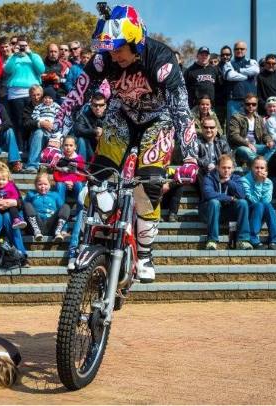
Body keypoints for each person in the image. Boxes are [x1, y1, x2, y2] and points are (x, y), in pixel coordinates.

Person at [55, 4, 198, 283]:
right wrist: (54, 139)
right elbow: (75, 97)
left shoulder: (162, 60)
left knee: (149, 188)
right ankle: (90, 242)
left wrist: (191, 157)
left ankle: (145, 253)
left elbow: (182, 111)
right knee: (96, 181)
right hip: (121, 115)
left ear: (136, 42)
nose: (113, 55)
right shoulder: (103, 60)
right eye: (109, 49)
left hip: (159, 120)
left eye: (119, 48)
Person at [200, 154, 252, 250]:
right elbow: (209, 194)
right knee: (214, 202)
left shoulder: (236, 178)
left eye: (229, 168)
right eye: (223, 167)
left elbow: (242, 195)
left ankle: (243, 240)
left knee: (243, 203)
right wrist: (230, 198)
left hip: (227, 212)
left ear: (232, 168)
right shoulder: (209, 177)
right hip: (210, 212)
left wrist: (229, 182)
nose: (226, 170)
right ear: (217, 167)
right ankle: (212, 240)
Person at [3, 35, 45, 151]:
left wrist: (30, 54)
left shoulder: (34, 56)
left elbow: (41, 70)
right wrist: (14, 55)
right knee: (19, 122)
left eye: (24, 45)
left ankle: (32, 148)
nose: (22, 48)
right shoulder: (13, 57)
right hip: (16, 94)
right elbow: (7, 70)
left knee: (33, 120)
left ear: (28, 45)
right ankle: (20, 149)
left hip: (33, 93)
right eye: (20, 46)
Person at [241, 156, 276, 250]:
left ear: (266, 170)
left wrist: (263, 182)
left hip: (261, 210)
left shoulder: (269, 182)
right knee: (259, 204)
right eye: (256, 167)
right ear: (251, 168)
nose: (259, 170)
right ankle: (253, 239)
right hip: (249, 210)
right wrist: (259, 183)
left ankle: (275, 240)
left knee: (267, 205)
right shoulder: (244, 180)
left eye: (262, 168)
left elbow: (266, 201)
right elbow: (253, 200)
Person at [228, 93, 275, 165]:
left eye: (254, 104)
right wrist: (247, 144)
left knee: (274, 148)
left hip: (256, 146)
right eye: (248, 104)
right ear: (243, 104)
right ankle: (261, 165)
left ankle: (262, 165)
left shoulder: (259, 118)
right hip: (241, 146)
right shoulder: (236, 118)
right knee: (246, 151)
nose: (251, 106)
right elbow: (234, 135)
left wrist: (269, 141)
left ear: (257, 105)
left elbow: (265, 134)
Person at [23, 171, 70, 242]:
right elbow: (24, 211)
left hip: (52, 226)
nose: (43, 186)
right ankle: (36, 231)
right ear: (35, 185)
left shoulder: (55, 195)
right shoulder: (31, 194)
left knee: (66, 206)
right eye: (40, 184)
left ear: (50, 185)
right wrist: (23, 228)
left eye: (45, 184)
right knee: (27, 205)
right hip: (36, 225)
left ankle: (58, 231)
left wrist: (64, 229)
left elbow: (63, 210)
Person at [222, 41, 259, 122]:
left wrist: (238, 70)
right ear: (234, 50)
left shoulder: (252, 61)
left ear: (246, 50)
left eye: (242, 49)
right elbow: (230, 76)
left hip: (250, 102)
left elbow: (255, 70)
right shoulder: (228, 63)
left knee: (251, 127)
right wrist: (247, 75)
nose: (239, 51)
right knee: (233, 127)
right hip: (234, 101)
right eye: (237, 49)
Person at [72, 91, 107, 162]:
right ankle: (80, 167)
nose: (98, 108)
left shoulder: (111, 117)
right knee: (81, 140)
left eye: (101, 105)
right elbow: (77, 130)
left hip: (106, 151)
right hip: (90, 150)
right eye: (95, 105)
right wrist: (95, 132)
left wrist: (103, 135)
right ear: (91, 105)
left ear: (105, 106)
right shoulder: (84, 115)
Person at [53, 135, 85, 203]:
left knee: (79, 185)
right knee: (59, 185)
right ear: (62, 146)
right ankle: (60, 209)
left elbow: (82, 174)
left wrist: (72, 182)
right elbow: (55, 174)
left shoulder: (79, 158)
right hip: (63, 183)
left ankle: (79, 211)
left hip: (75, 184)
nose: (68, 148)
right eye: (66, 145)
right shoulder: (59, 157)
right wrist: (65, 181)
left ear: (75, 147)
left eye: (71, 145)